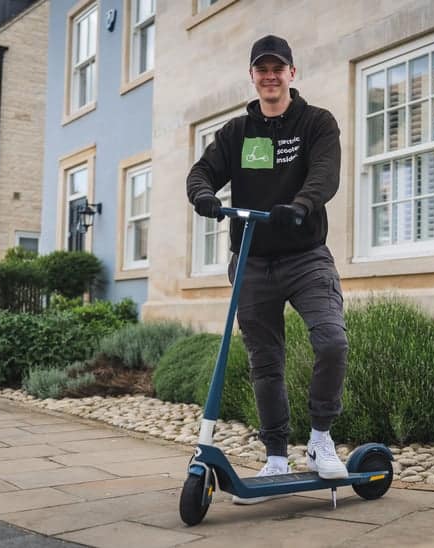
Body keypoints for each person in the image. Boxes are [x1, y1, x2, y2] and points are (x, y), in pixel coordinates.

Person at [187, 35, 349, 504]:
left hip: (305, 256)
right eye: (263, 68)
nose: (270, 75)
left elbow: (326, 172)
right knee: (265, 361)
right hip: (252, 260)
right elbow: (202, 171)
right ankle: (276, 454)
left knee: (332, 340)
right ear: (253, 76)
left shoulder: (316, 123)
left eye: (279, 68)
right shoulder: (238, 132)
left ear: (292, 74)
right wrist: (202, 195)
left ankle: (320, 440)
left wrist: (300, 204)